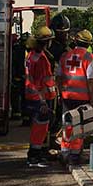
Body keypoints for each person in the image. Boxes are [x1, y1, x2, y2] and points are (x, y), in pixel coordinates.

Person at [56, 29, 93, 165]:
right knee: (79, 127)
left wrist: (60, 92)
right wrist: (92, 99)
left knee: (67, 125)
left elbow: (59, 77)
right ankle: (75, 156)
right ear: (88, 43)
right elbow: (91, 80)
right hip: (82, 98)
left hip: (67, 96)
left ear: (75, 41)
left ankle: (64, 153)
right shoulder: (89, 58)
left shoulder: (64, 56)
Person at [25, 26, 57, 167]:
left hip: (33, 96)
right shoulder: (41, 59)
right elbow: (43, 81)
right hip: (41, 99)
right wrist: (44, 101)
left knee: (38, 127)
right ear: (46, 41)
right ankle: (34, 157)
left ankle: (34, 155)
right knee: (40, 128)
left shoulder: (31, 55)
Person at [48, 13, 71, 138]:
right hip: (53, 89)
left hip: (55, 88)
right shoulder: (55, 49)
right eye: (63, 32)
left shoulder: (59, 47)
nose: (65, 35)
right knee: (52, 117)